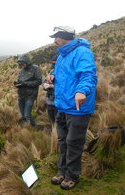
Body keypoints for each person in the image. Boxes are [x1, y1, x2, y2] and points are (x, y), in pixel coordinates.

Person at [48, 26, 97, 190]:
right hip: (62, 106)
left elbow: (88, 75)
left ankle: (72, 176)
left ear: (64, 36)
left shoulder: (82, 52)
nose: (54, 41)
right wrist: (52, 78)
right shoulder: (62, 57)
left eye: (56, 37)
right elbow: (65, 78)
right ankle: (62, 171)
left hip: (77, 108)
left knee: (73, 142)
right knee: (62, 142)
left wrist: (82, 91)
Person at [14, 54, 42, 127]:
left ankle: (34, 128)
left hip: (30, 96)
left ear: (27, 62)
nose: (21, 65)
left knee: (27, 115)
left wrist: (25, 83)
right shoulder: (22, 71)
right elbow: (20, 81)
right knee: (23, 115)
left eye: (22, 64)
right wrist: (18, 84)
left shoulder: (36, 68)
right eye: (20, 64)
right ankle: (27, 128)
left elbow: (39, 81)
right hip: (21, 95)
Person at [43, 55, 58, 125]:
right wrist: (45, 86)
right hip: (50, 101)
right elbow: (45, 82)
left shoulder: (66, 73)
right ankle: (53, 133)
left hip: (59, 103)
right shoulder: (52, 71)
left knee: (59, 122)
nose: (53, 66)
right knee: (52, 121)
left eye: (55, 64)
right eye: (53, 64)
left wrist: (53, 86)